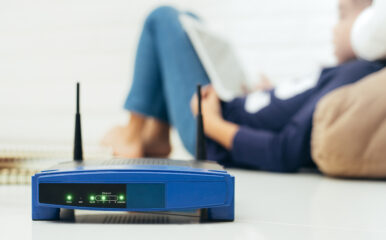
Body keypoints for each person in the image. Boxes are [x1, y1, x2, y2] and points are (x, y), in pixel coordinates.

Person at [101, 0, 385, 172]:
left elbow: (283, 150)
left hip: (210, 133)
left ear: (371, 28)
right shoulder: (348, 74)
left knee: (162, 19)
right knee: (191, 24)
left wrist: (211, 124)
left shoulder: (354, 77)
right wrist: (267, 96)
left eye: (343, 16)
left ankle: (133, 132)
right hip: (224, 111)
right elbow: (295, 116)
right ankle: (157, 136)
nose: (334, 28)